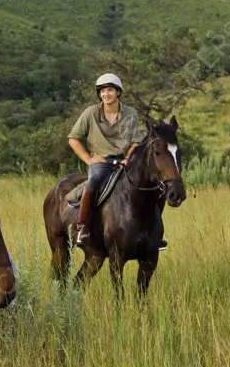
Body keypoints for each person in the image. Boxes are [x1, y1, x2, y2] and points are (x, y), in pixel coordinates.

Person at [67, 73, 164, 248]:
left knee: (156, 184)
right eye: (102, 91)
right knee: (95, 179)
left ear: (118, 92)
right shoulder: (90, 113)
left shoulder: (131, 113)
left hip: (125, 161)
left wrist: (128, 158)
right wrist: (88, 159)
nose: (106, 94)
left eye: (110, 90)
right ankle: (83, 227)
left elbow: (136, 141)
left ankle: (155, 233)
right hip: (101, 162)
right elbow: (73, 138)